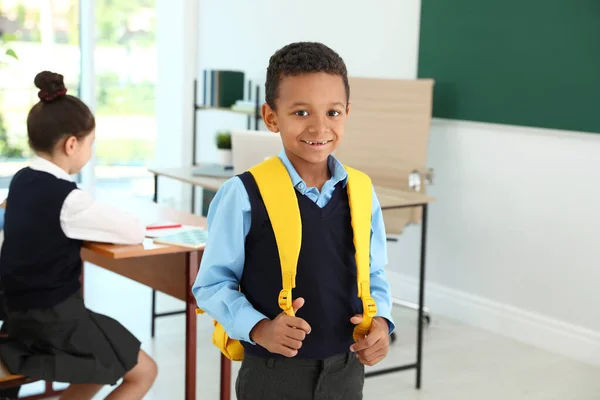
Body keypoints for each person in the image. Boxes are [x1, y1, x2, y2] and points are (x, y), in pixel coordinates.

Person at [193, 42, 395, 400]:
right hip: (272, 372)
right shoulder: (242, 194)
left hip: (346, 369)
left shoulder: (361, 191)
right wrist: (259, 328)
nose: (319, 126)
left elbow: (374, 272)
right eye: (301, 112)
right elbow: (211, 285)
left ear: (347, 112)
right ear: (271, 117)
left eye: (333, 112)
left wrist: (381, 323)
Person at [0, 71, 157, 400]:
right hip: (54, 320)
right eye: (90, 144)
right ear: (72, 144)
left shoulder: (20, 181)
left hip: (18, 315)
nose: (89, 151)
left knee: (100, 366)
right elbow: (133, 230)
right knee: (144, 372)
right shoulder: (68, 199)